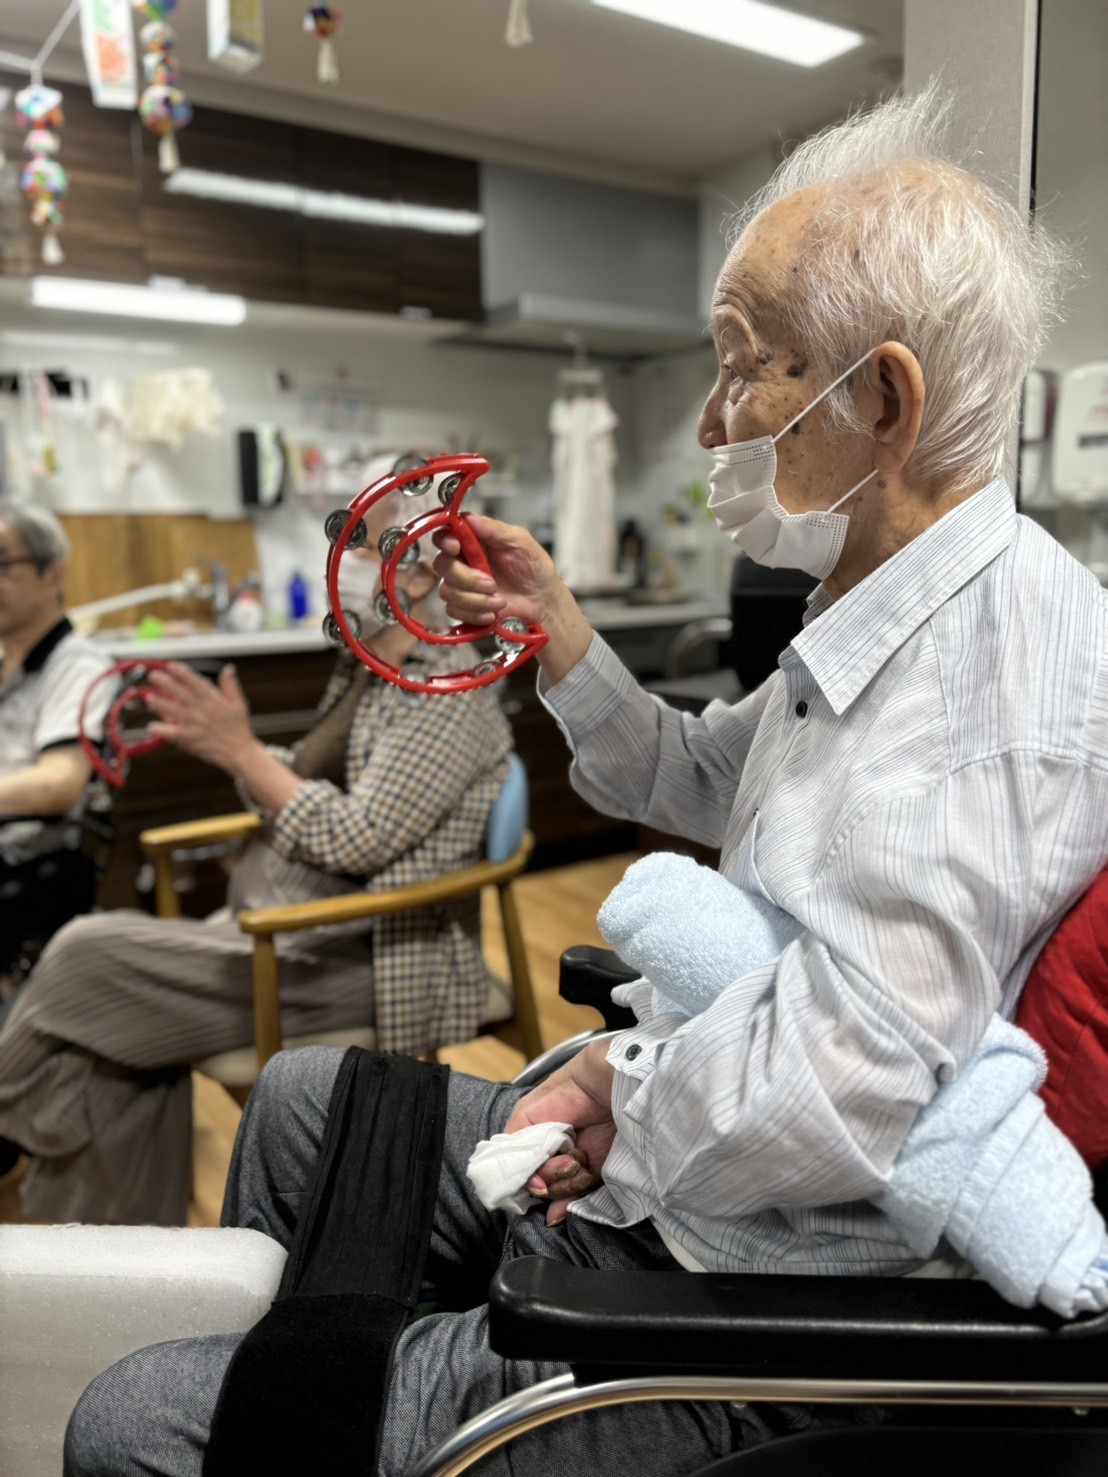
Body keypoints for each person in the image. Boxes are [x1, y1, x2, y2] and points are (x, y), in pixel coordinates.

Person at [64, 86, 1106, 1476]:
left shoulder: (987, 689)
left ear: (884, 400)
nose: (717, 421)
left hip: (763, 1298)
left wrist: (622, 1077)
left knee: (128, 1422)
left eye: (744, 368)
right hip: (709, 1165)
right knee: (302, 1101)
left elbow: (838, 1087)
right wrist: (557, 629)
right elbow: (692, 773)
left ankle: (332, 1411)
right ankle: (331, 1391)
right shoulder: (882, 614)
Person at [0, 474, 513, 1225]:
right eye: (350, 541)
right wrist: (236, 749)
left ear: (420, 570)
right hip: (278, 936)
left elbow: (358, 836)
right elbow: (299, 779)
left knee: (82, 952)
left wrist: (240, 752)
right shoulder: (371, 674)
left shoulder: (449, 696)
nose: (346, 563)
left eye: (364, 545)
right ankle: (122, 1263)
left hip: (351, 958)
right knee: (112, 1050)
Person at [0, 502, 114, 991]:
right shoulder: (9, 666)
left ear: (53, 575)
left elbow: (58, 784)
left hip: (33, 857)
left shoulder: (77, 665)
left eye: (4, 563)